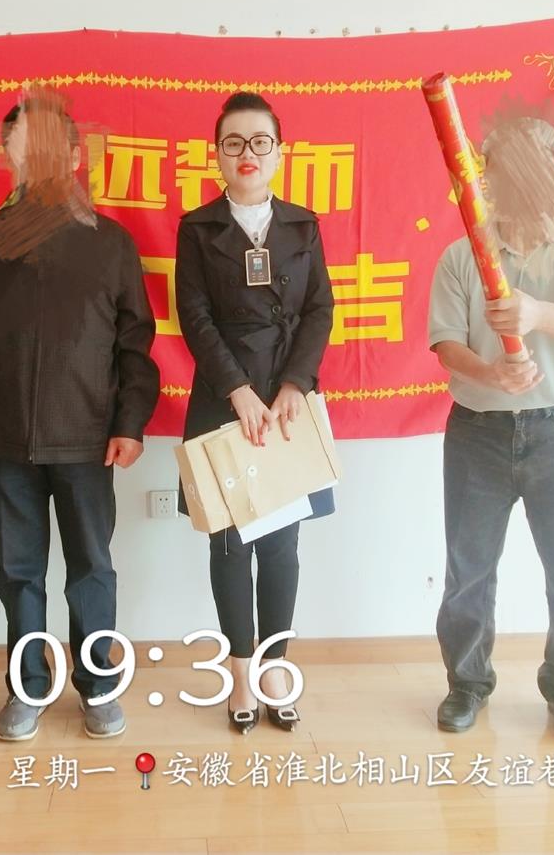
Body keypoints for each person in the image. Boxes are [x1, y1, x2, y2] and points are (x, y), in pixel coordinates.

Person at [0, 92, 159, 742]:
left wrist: (129, 422)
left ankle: (97, 685)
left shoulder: (110, 243)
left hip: (88, 440)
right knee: (19, 573)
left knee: (92, 569)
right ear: (5, 155)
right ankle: (28, 688)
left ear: (74, 155)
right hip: (4, 440)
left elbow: (135, 343)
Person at [427, 116, 554, 744]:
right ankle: (466, 683)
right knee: (468, 572)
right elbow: (446, 344)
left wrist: (536, 312)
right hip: (477, 432)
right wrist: (489, 372)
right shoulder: (463, 255)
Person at [175, 92, 334, 734]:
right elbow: (194, 317)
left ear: (279, 152)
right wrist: (238, 391)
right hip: (224, 402)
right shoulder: (197, 228)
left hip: (287, 404)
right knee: (230, 542)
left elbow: (319, 308)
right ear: (217, 155)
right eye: (234, 143)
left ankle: (274, 668)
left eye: (260, 142)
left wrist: (294, 385)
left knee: (283, 545)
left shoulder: (303, 224)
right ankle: (240, 673)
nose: (248, 154)